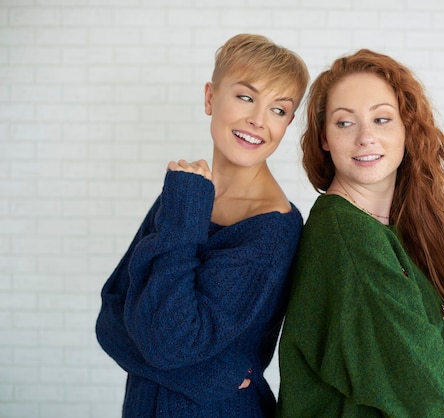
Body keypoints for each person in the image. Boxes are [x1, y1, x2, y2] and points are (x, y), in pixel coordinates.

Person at [277, 49, 444, 417]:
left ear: (407, 128)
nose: (365, 137)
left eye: (382, 119)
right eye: (345, 123)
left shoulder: (399, 226)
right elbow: (431, 397)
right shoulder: (346, 234)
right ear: (324, 137)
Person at [95, 33, 309, 417]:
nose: (258, 120)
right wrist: (211, 377)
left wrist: (186, 206)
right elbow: (110, 315)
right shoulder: (187, 199)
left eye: (278, 109)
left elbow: (168, 343)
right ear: (210, 97)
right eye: (246, 96)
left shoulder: (272, 228)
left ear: (288, 122)